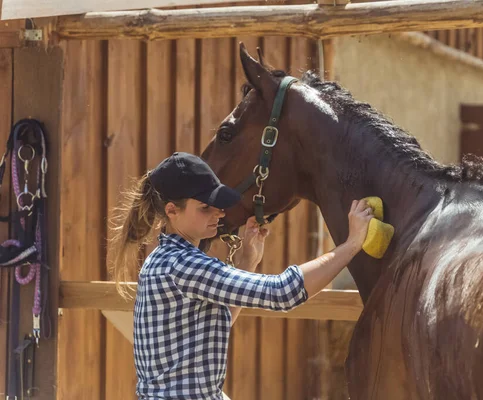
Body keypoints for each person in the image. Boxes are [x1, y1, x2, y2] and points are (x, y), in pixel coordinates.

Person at [109, 152, 374, 400]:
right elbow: (282, 292)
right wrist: (351, 245)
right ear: (171, 211)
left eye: (218, 205)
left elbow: (216, 322)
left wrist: (248, 262)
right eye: (205, 208)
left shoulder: (160, 260)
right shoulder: (183, 265)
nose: (219, 213)